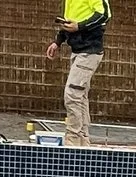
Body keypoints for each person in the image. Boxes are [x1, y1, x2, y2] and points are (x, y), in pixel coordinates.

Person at [43, 0, 109, 146]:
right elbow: (68, 23)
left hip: (90, 51)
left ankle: (73, 141)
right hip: (78, 51)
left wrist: (79, 26)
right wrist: (58, 42)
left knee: (72, 94)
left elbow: (104, 15)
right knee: (80, 96)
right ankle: (83, 141)